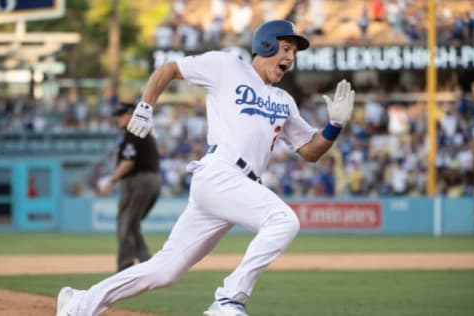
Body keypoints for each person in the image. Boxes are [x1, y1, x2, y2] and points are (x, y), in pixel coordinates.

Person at [56, 19, 354, 316]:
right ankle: (228, 300)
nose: (290, 57)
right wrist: (145, 108)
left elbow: (310, 152)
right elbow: (170, 69)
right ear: (265, 45)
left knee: (164, 271)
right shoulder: (228, 67)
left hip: (236, 185)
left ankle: (79, 303)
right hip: (219, 171)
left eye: (294, 52)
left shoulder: (284, 101)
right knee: (284, 221)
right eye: (286, 48)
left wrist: (334, 125)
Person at [98, 102, 161, 272]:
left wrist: (111, 182)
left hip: (139, 181)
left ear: (131, 114)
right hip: (151, 179)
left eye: (121, 115)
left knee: (125, 221)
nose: (118, 119)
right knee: (132, 223)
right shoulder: (145, 131)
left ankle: (125, 267)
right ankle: (148, 262)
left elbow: (128, 163)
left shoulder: (133, 131)